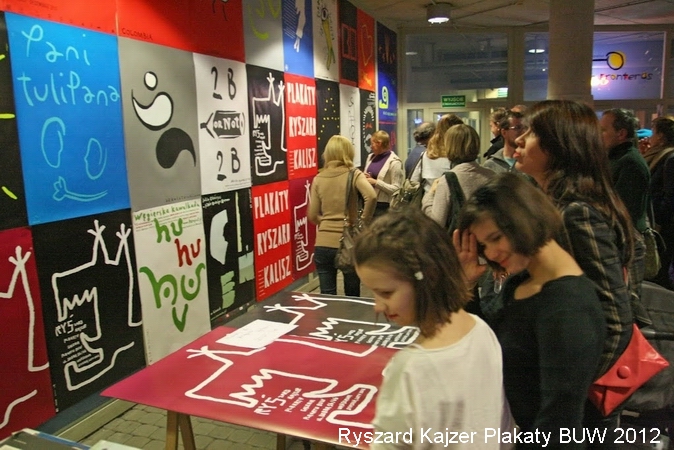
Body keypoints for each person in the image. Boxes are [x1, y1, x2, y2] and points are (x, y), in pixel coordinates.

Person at [512, 99, 645, 443]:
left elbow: (616, 317)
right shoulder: (556, 203)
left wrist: (571, 390)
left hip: (578, 403)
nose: (519, 140)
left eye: (531, 132)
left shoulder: (576, 212)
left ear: (559, 145)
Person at [455, 173, 606, 446]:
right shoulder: (524, 280)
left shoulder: (567, 308)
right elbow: (490, 346)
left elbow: (559, 424)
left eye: (496, 238)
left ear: (523, 220)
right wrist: (466, 287)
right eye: (484, 245)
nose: (490, 253)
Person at [354, 208, 513, 449]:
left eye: (386, 293)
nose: (377, 306)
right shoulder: (481, 331)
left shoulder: (410, 369)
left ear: (427, 276)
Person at [308, 135, 376, 297]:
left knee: (327, 295)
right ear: (348, 153)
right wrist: (362, 221)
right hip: (348, 242)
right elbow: (371, 196)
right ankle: (350, 322)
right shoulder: (353, 174)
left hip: (323, 243)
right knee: (352, 294)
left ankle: (328, 321)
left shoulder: (319, 178)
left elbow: (312, 215)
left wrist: (325, 223)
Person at [423, 123, 495, 228]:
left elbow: (436, 224)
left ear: (450, 146)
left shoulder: (447, 181)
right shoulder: (492, 175)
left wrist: (429, 196)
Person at [599, 108, 651, 233]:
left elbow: (624, 210)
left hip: (625, 238)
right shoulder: (616, 157)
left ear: (621, 134)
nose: (598, 135)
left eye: (603, 130)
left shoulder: (630, 163)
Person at [641, 116, 674, 289]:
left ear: (661, 136)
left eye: (653, 132)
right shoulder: (656, 155)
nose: (650, 137)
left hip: (663, 226)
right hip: (657, 221)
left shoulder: (669, 157)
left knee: (660, 269)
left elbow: (670, 196)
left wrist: (659, 222)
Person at [408, 115, 463, 197]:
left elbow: (413, 182)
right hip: (452, 205)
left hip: (428, 203)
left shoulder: (427, 155)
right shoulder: (459, 157)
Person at [363, 130, 404, 217]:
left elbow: (397, 189)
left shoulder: (394, 162)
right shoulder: (370, 157)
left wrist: (376, 182)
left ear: (379, 143)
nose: (371, 147)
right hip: (369, 201)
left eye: (372, 143)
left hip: (383, 206)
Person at [483, 110, 527, 174]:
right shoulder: (491, 165)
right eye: (517, 128)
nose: (523, 132)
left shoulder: (530, 163)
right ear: (504, 132)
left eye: (525, 128)